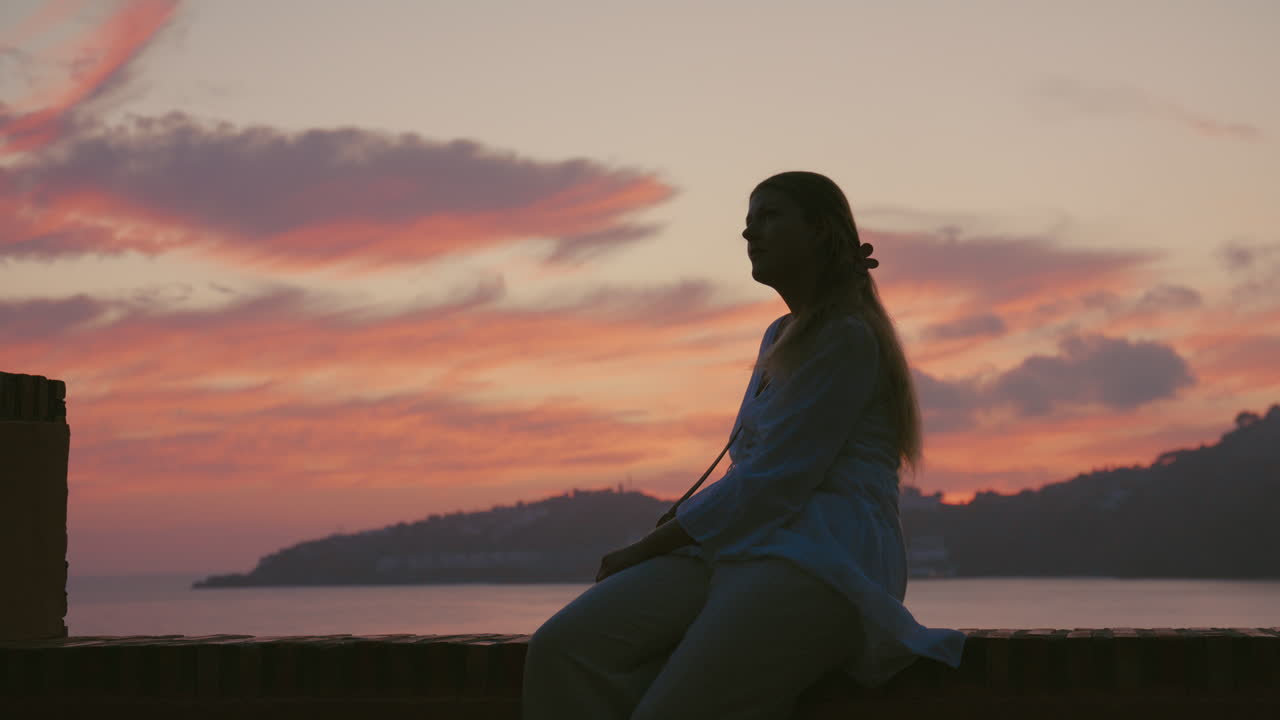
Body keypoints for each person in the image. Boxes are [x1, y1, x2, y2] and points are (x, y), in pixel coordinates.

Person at [521, 171, 966, 720]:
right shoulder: (779, 335)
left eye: (770, 216)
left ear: (821, 232)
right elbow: (752, 474)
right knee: (564, 650)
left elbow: (774, 484)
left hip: (825, 556)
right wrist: (681, 530)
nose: (749, 233)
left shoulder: (847, 337)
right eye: (750, 220)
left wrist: (645, 548)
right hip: (748, 540)